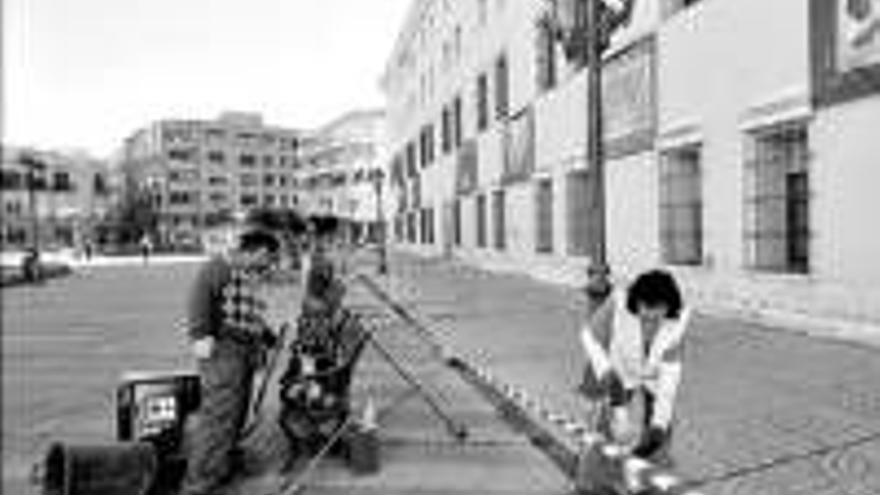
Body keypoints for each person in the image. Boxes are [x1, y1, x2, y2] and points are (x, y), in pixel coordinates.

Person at [179, 227, 281, 495]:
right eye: (269, 257)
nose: (271, 264)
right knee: (219, 417)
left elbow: (247, 314)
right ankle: (199, 483)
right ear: (257, 251)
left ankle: (221, 467)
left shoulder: (247, 274)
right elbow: (198, 302)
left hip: (242, 353)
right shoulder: (218, 268)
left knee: (236, 414)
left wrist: (268, 337)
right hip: (222, 353)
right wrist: (200, 334)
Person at [577, 269, 691, 463]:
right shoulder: (619, 303)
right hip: (620, 371)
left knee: (659, 433)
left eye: (658, 313)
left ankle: (654, 474)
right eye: (645, 311)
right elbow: (588, 336)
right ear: (636, 303)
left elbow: (669, 384)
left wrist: (658, 427)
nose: (650, 319)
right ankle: (593, 477)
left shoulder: (677, 325)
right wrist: (607, 375)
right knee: (610, 426)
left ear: (669, 307)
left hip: (654, 376)